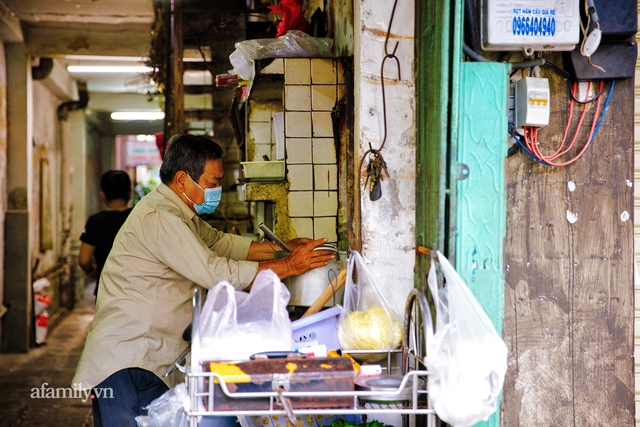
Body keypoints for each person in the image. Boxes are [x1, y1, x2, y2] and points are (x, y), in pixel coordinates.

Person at [72, 134, 335, 427]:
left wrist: (283, 246)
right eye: (212, 183)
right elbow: (216, 272)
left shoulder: (181, 213)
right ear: (183, 180)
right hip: (126, 359)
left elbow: (222, 244)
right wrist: (289, 265)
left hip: (150, 357)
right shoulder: (162, 217)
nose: (218, 189)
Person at [77, 170, 133, 299]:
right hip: (137, 292)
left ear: (103, 196)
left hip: (107, 292)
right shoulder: (139, 218)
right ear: (130, 193)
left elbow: (83, 260)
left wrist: (91, 271)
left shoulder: (95, 222)